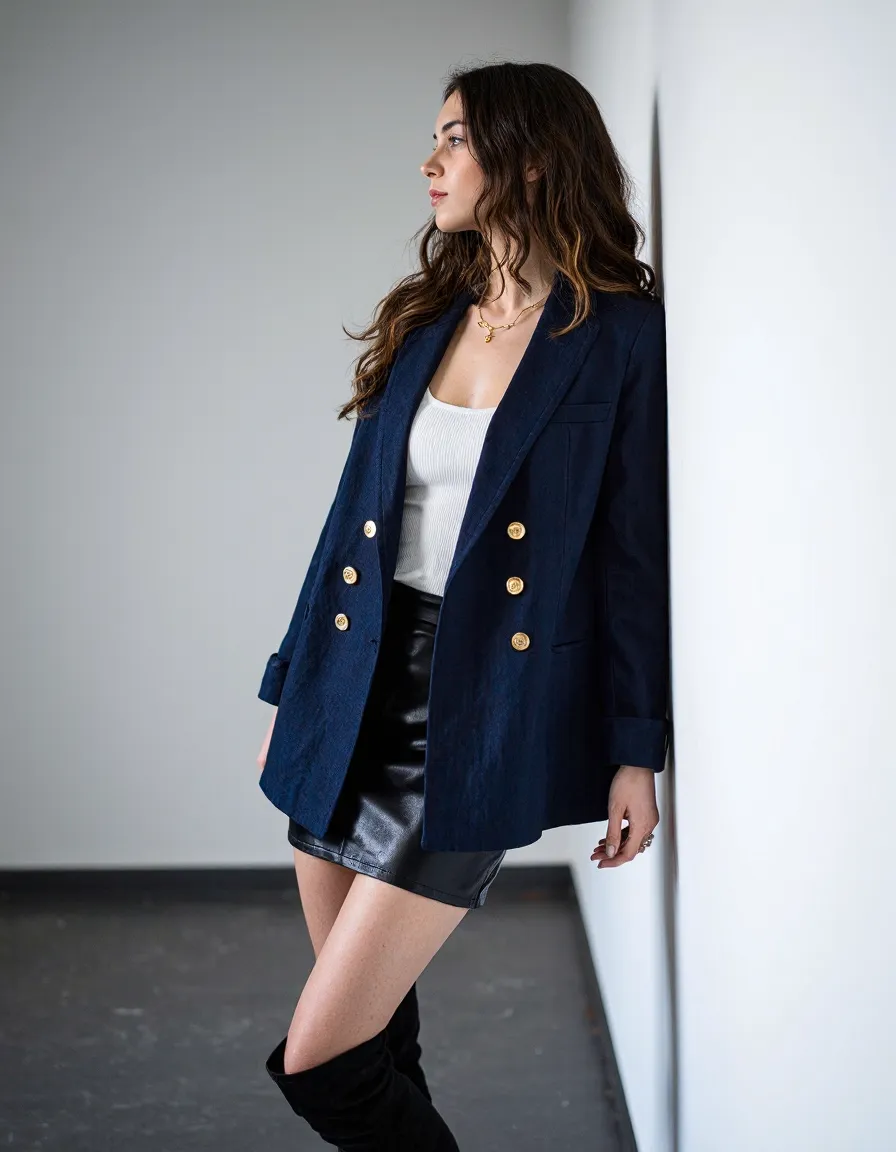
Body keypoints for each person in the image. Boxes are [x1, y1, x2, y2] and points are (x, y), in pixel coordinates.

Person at [255, 59, 670, 1150]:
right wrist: (291, 687)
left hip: (481, 702)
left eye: (454, 139)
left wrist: (636, 750)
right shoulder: (430, 315)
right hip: (352, 684)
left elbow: (632, 559)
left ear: (528, 160)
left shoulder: (619, 335)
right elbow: (349, 521)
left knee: (323, 1060)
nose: (429, 162)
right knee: (376, 1043)